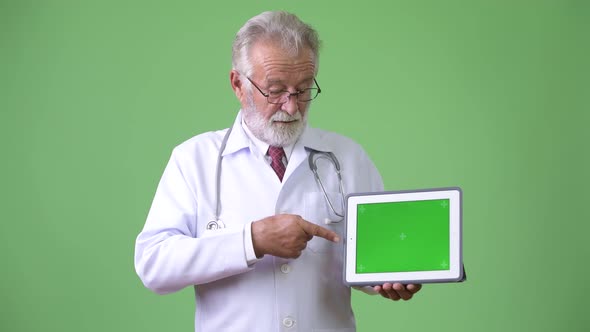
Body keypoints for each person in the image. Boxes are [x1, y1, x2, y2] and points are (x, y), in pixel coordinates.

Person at [134, 11, 421, 331]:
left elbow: (373, 256)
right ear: (238, 85)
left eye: (302, 89)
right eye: (275, 90)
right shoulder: (194, 159)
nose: (292, 106)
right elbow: (154, 265)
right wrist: (252, 240)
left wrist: (389, 279)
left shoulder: (347, 157)